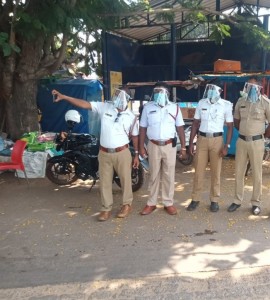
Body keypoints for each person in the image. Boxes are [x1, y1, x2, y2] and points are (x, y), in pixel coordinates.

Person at [52, 86, 140, 221]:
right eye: (115, 94)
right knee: (104, 181)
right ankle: (106, 209)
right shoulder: (105, 107)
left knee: (125, 180)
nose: (115, 97)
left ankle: (126, 205)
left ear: (126, 99)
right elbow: (84, 104)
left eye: (118, 95)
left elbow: (135, 137)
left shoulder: (131, 117)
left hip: (122, 152)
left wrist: (137, 155)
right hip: (104, 153)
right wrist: (64, 97)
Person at [139, 81, 187, 216]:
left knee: (168, 175)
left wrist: (183, 147)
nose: (158, 94)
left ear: (167, 93)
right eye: (156, 91)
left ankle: (168, 203)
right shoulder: (148, 108)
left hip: (169, 146)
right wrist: (141, 147)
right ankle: (151, 203)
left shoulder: (175, 108)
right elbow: (142, 128)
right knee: (153, 174)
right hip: (153, 145)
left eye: (161, 91)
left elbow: (180, 128)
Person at [187, 84, 233, 212]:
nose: (211, 92)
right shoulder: (202, 103)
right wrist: (191, 143)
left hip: (217, 140)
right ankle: (195, 199)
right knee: (198, 171)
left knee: (216, 172)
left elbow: (230, 126)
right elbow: (195, 123)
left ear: (219, 91)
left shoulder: (226, 105)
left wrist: (227, 146)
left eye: (213, 90)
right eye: (209, 89)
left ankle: (214, 200)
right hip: (202, 140)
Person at [227, 77, 270, 215]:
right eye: (249, 85)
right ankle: (237, 201)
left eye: (254, 85)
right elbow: (236, 120)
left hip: (257, 142)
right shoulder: (241, 101)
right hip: (242, 141)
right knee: (239, 171)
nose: (251, 87)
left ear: (259, 86)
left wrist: (263, 135)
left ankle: (255, 203)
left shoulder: (265, 103)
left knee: (257, 173)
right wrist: (245, 132)